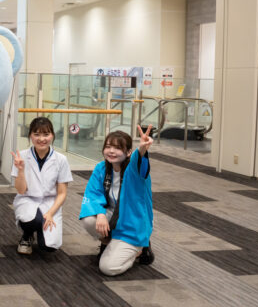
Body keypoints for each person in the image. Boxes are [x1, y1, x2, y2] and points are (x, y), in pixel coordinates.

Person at [79, 126, 155, 276]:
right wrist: (100, 214)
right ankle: (110, 243)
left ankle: (140, 249)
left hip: (132, 223)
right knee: (89, 220)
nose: (111, 151)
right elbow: (93, 193)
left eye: (118, 148)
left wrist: (142, 149)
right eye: (108, 147)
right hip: (112, 216)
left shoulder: (134, 169)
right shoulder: (101, 168)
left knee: (108, 268)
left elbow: (139, 160)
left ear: (128, 152)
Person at [10, 117, 72, 255]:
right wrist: (20, 170)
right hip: (27, 199)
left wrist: (50, 213)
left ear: (52, 135)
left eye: (46, 134)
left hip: (50, 203)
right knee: (34, 220)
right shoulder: (22, 156)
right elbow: (21, 190)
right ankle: (27, 235)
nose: (41, 139)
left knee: (49, 247)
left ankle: (41, 232)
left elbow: (62, 193)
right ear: (30, 136)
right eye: (36, 134)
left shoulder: (61, 159)